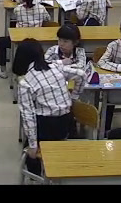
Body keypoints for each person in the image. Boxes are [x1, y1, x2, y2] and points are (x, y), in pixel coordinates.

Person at [16, 39, 85, 174]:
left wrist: (33, 145)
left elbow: (28, 116)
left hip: (46, 125)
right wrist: (73, 98)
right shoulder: (55, 67)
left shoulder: (26, 82)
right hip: (67, 122)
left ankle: (36, 177)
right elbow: (81, 75)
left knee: (29, 153)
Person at [0, 0, 50, 78]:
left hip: (21, 42)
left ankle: (2, 70)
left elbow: (14, 19)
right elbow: (48, 19)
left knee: (1, 41)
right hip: (37, 41)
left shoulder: (17, 9)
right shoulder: (42, 8)